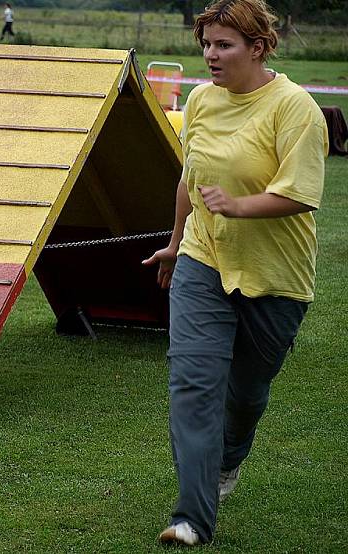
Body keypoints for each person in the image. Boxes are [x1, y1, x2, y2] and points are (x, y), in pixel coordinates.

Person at [141, 0, 328, 546]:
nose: (210, 55)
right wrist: (176, 245)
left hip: (277, 278)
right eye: (206, 44)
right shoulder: (200, 100)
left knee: (245, 395)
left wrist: (238, 205)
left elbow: (300, 195)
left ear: (259, 48)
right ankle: (191, 519)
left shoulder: (295, 109)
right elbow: (187, 180)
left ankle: (228, 460)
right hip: (204, 258)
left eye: (224, 45)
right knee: (193, 385)